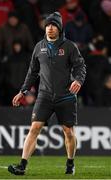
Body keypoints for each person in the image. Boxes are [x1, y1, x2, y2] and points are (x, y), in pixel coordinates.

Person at [8, 12, 86, 175]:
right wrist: (23, 91)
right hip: (44, 96)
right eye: (48, 25)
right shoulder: (39, 47)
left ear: (59, 27)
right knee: (34, 128)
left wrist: (78, 80)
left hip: (66, 96)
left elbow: (80, 66)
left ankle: (70, 163)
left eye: (53, 25)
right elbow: (32, 72)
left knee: (68, 132)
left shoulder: (69, 46)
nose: (50, 28)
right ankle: (22, 165)